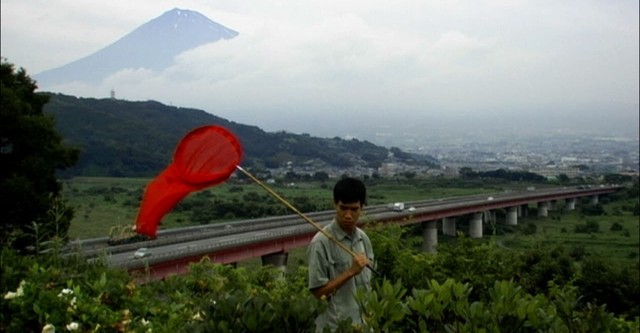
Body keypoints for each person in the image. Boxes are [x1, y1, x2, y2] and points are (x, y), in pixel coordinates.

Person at [307, 177, 374, 332]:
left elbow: (368, 285)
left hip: (363, 326)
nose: (348, 215)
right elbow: (318, 293)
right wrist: (350, 272)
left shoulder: (363, 239)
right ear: (335, 204)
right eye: (343, 208)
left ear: (362, 208)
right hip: (335, 328)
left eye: (354, 209)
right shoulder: (321, 242)